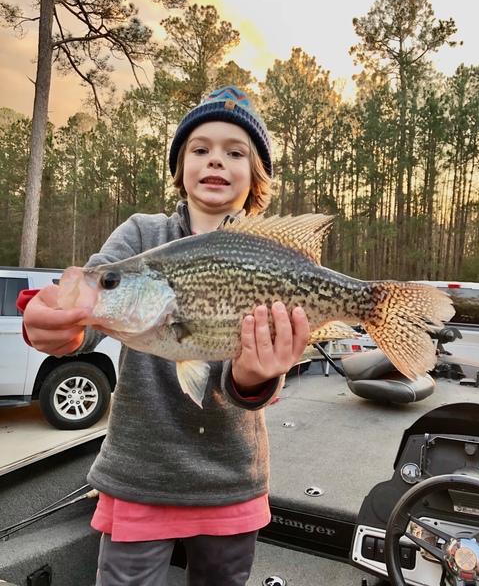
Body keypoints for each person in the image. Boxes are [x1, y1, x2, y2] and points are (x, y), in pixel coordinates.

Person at [19, 86, 311, 586]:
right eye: (200, 149)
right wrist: (50, 326)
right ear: (181, 166)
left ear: (255, 174)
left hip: (231, 481)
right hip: (138, 477)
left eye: (235, 152)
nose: (216, 160)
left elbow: (252, 391)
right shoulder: (140, 235)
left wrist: (253, 377)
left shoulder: (264, 246)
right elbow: (83, 318)